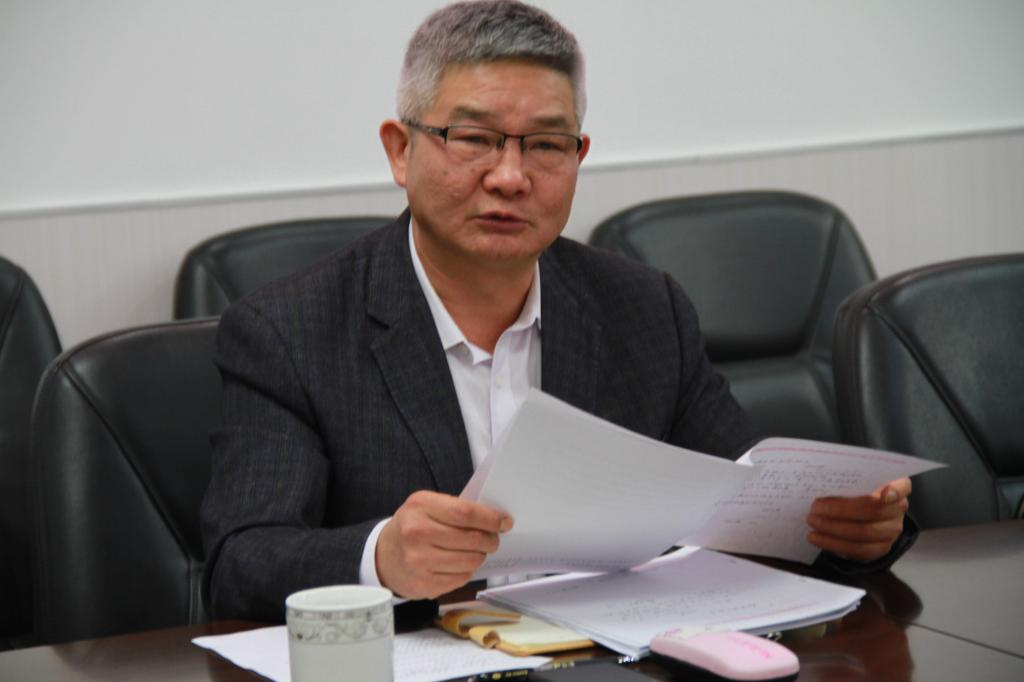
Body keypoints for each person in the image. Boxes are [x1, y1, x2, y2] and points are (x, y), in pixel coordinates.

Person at [201, 0, 913, 622]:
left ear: (578, 155)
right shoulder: (290, 331)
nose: (510, 177)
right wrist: (380, 556)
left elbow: (751, 502)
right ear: (400, 150)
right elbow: (241, 560)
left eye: (545, 145)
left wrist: (856, 531)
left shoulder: (643, 309)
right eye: (473, 138)